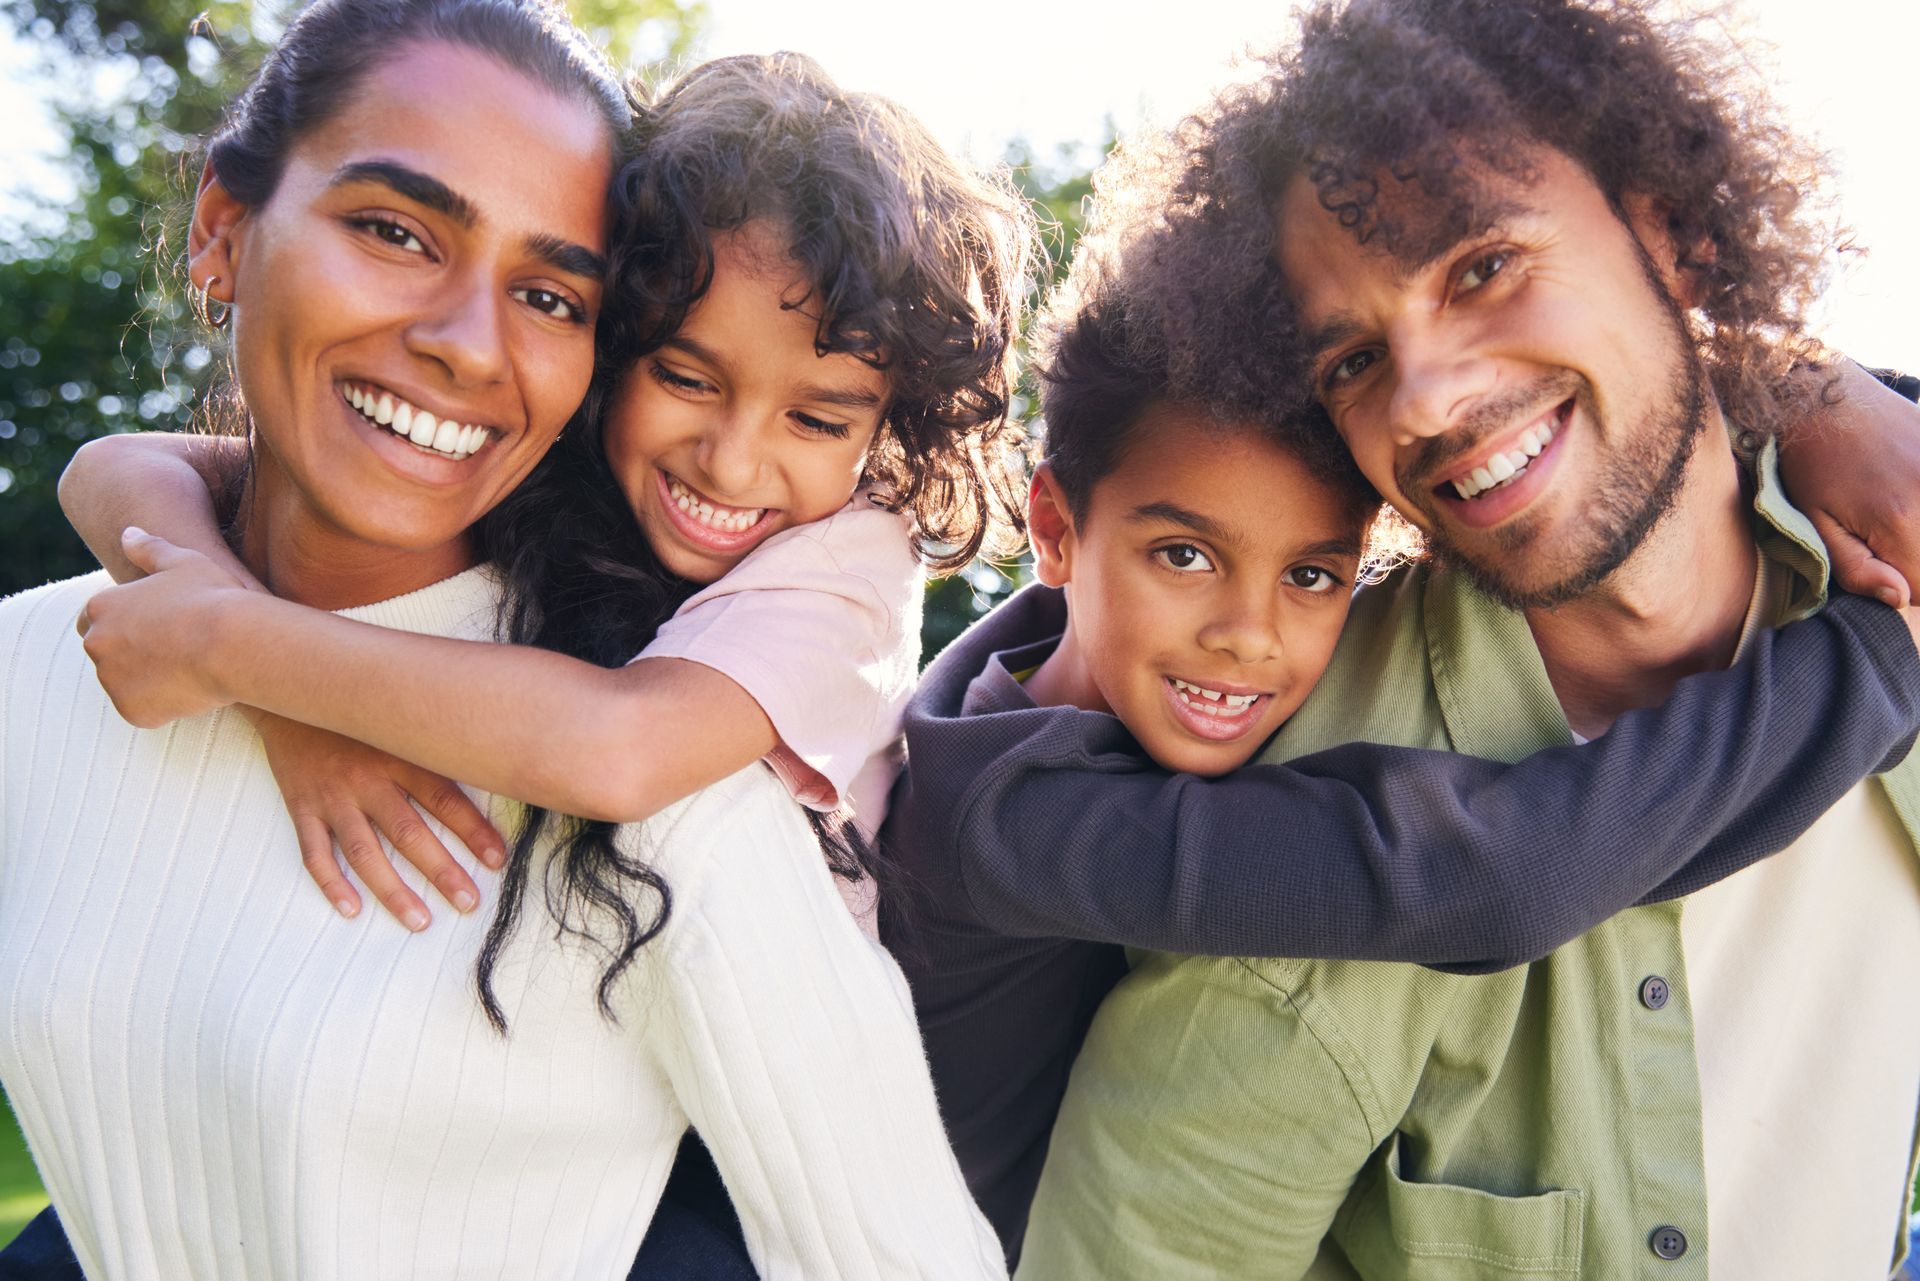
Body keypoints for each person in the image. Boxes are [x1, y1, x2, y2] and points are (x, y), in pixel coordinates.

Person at [0, 4, 1004, 1277]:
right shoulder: (47, 664)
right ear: (222, 233)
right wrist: (254, 666)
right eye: (392, 230)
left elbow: (619, 748)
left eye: (545, 293)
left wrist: (239, 653)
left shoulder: (721, 725)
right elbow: (122, 465)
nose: (471, 343)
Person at [997, 1, 1920, 1275]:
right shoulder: (1309, 857)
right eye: (1355, 361)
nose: (1424, 399)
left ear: (1673, 233)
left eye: (1482, 266)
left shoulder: (1895, 526)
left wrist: (1833, 390)